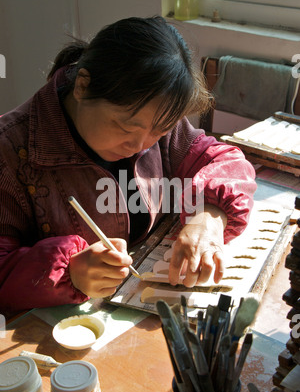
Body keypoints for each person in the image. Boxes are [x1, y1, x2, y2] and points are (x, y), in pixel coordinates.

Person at [0, 16, 256, 314]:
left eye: (158, 131)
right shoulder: (9, 152)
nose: (140, 146)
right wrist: (68, 272)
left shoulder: (154, 114)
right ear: (83, 86)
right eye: (125, 127)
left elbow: (222, 160)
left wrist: (208, 217)